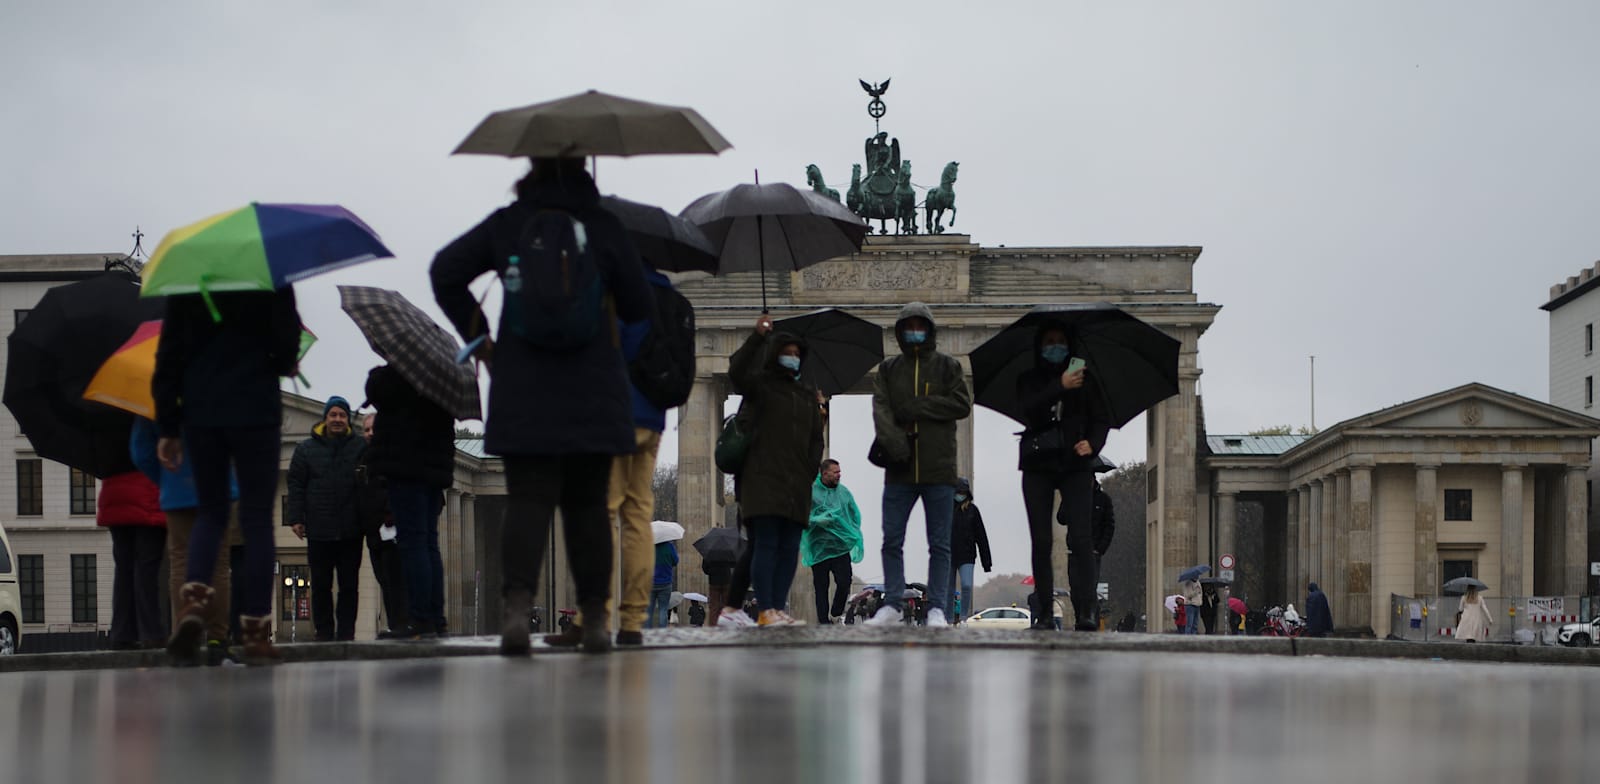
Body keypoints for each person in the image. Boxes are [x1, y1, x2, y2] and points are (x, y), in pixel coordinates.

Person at [432, 156, 653, 655]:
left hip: (522, 381)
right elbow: (642, 306)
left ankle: (515, 610)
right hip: (594, 383)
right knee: (588, 506)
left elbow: (444, 272)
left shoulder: (509, 223)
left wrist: (481, 339)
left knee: (528, 499)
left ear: (530, 170)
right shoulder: (603, 225)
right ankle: (595, 618)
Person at [547, 260, 689, 648]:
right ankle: (631, 621)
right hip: (652, 419)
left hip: (615, 414)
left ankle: (593, 615)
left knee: (601, 513)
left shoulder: (617, 293)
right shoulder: (668, 295)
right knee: (638, 517)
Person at [157, 287, 301, 665]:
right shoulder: (271, 277)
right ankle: (255, 634)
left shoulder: (188, 282)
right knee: (256, 521)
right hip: (256, 408)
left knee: (211, 512)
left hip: (202, 411)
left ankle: (192, 604)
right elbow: (288, 346)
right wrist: (284, 363)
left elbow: (168, 357)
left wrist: (168, 427)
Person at [866, 303, 972, 628]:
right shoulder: (888, 369)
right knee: (891, 541)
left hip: (939, 469)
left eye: (919, 325)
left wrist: (918, 406)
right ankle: (893, 603)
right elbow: (881, 409)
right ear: (900, 331)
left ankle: (938, 607)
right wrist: (896, 444)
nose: (914, 331)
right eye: (908, 326)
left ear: (929, 329)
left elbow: (962, 403)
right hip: (898, 469)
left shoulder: (948, 366)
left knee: (939, 544)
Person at [727, 315, 825, 627]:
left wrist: (810, 471)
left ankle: (777, 609)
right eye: (787, 353)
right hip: (763, 479)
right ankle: (765, 608)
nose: (792, 358)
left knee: (789, 548)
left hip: (796, 484)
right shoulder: (760, 386)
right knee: (767, 544)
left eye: (798, 354)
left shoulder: (807, 396)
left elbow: (815, 441)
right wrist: (757, 336)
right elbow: (737, 373)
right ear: (775, 354)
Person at [1014, 321, 1108, 632]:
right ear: (1040, 347)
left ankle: (1088, 610)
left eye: (1060, 341)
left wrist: (1093, 444)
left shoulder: (1088, 381)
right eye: (1049, 341)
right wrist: (1059, 387)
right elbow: (1026, 409)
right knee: (1040, 541)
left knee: (1082, 539)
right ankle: (1042, 613)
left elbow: (1100, 418)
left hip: (1075, 465)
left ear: (1070, 346)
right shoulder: (1028, 380)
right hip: (1037, 463)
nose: (1055, 346)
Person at [133, 417, 239, 665]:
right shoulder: (218, 384)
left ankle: (184, 634)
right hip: (218, 485)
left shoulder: (154, 392)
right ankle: (217, 640)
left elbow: (141, 451)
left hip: (176, 486)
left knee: (180, 561)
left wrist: (166, 479)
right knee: (219, 564)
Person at [364, 366, 455, 640]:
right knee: (428, 544)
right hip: (432, 471)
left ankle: (420, 619)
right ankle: (435, 619)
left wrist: (383, 372)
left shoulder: (398, 377)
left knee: (413, 543)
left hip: (406, 469)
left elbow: (375, 392)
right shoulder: (441, 380)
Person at [285, 395, 367, 641]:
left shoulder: (360, 447)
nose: (338, 420)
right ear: (325, 419)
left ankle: (346, 633)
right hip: (319, 529)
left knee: (349, 586)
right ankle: (323, 632)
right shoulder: (305, 449)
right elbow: (296, 485)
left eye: (342, 415)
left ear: (348, 420)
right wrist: (295, 518)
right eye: (333, 415)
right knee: (320, 585)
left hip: (351, 529)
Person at [98, 471, 166, 649]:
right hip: (147, 499)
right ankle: (151, 633)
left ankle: (122, 634)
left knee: (123, 570)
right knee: (147, 571)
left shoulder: (109, 443)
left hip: (115, 497)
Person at [355, 412, 408, 638]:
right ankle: (395, 623)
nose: (370, 433)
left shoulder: (392, 455)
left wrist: (390, 515)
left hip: (390, 529)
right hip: (372, 531)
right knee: (384, 579)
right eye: (366, 430)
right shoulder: (362, 458)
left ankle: (402, 624)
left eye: (374, 429)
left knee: (395, 579)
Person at [805, 459, 864, 625]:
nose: (839, 474)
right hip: (819, 548)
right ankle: (823, 622)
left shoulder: (843, 493)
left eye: (839, 471)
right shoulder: (811, 492)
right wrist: (817, 520)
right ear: (824, 474)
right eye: (835, 472)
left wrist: (850, 531)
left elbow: (854, 515)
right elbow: (802, 515)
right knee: (821, 587)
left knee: (845, 581)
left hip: (839, 547)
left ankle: (836, 610)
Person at [947, 477, 992, 624]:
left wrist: (987, 562)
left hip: (967, 555)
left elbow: (981, 536)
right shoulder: (946, 508)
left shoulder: (973, 510)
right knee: (948, 589)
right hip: (948, 554)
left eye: (963, 492)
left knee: (966, 585)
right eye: (958, 491)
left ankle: (963, 619)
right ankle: (947, 619)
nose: (960, 494)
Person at [648, 540, 678, 628]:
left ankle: (648, 631)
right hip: (665, 582)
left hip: (651, 582)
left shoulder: (650, 546)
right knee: (663, 609)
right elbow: (675, 561)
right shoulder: (669, 546)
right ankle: (662, 630)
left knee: (649, 609)